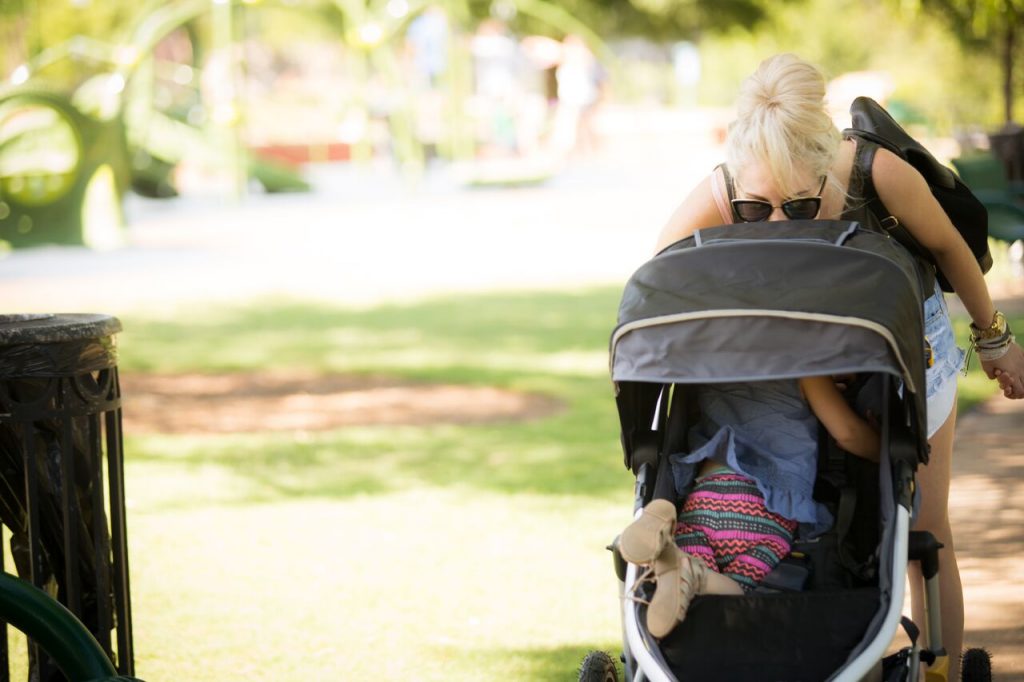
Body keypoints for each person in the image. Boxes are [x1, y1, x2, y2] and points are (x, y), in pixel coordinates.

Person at [649, 52, 1024, 675]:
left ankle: (939, 669)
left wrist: (995, 340)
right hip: (799, 352)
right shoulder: (723, 188)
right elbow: (658, 285)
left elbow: (949, 248)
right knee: (826, 499)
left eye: (798, 208)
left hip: (906, 337)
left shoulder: (876, 172)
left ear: (827, 166)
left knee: (922, 527)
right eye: (754, 209)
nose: (774, 223)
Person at [620, 376, 880, 638]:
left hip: (704, 498)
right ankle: (695, 575)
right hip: (764, 511)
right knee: (736, 593)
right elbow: (848, 434)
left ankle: (672, 551)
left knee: (693, 549)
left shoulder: (706, 362)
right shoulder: (805, 369)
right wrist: (885, 450)